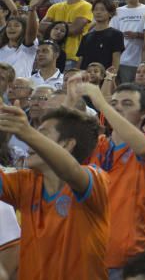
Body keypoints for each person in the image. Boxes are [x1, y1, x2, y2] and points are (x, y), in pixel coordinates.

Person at [0, 104, 109, 278]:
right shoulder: (24, 181)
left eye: (41, 135)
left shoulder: (96, 179)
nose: (30, 141)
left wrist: (27, 132)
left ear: (67, 144)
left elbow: (71, 171)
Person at [75, 75, 145, 278]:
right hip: (83, 250)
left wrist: (103, 104)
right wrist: (71, 100)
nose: (117, 107)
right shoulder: (97, 144)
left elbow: (142, 147)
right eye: (114, 103)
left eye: (127, 103)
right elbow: (57, 146)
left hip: (122, 259)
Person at [40, 0, 92, 66]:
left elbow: (74, 30)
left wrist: (54, 26)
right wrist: (67, 24)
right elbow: (40, 26)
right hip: (51, 55)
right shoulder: (55, 7)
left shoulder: (86, 6)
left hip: (72, 56)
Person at [111, 0, 145, 83]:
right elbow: (112, 35)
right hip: (122, 61)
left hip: (143, 62)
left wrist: (137, 35)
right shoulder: (118, 11)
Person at [77, 0, 125, 72]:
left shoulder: (116, 34)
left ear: (110, 13)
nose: (98, 12)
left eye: (102, 10)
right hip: (85, 78)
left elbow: (115, 61)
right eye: (96, 9)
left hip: (104, 78)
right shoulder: (86, 36)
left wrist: (110, 78)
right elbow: (80, 59)